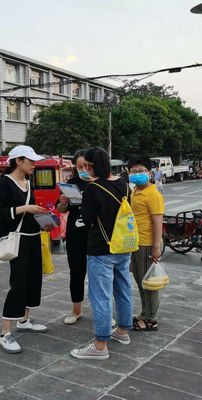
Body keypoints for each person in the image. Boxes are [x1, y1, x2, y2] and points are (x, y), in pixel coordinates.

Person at [71, 147, 133, 360]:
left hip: (101, 248)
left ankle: (100, 346)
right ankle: (122, 331)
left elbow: (87, 218)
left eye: (86, 165)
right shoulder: (124, 184)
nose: (85, 169)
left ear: (91, 165)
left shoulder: (92, 188)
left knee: (101, 297)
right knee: (123, 290)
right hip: (123, 245)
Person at [0, 145, 52, 354]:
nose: (34, 165)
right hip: (19, 240)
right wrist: (26, 208)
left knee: (33, 280)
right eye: (31, 161)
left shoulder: (27, 182)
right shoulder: (5, 183)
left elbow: (28, 215)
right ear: (18, 161)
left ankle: (24, 320)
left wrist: (43, 222)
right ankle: (5, 333)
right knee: (18, 284)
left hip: (34, 238)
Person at [127, 156, 164, 332]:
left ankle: (151, 319)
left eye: (141, 171)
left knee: (149, 284)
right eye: (133, 171)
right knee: (141, 281)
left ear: (149, 173)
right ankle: (145, 312)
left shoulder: (153, 194)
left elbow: (158, 222)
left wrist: (156, 247)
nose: (137, 174)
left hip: (147, 244)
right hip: (136, 243)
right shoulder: (134, 191)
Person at [57, 150, 93, 325]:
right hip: (75, 235)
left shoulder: (100, 183)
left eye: (86, 166)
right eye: (79, 167)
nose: (83, 169)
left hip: (96, 236)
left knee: (99, 276)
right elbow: (61, 209)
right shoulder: (71, 184)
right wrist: (63, 203)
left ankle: (104, 311)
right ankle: (76, 310)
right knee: (76, 273)